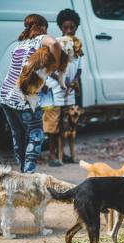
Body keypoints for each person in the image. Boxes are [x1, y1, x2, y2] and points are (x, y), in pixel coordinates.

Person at [0, 14, 61, 173]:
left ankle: (22, 173)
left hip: (6, 95)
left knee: (18, 136)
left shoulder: (19, 44)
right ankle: (29, 176)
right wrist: (56, 63)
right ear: (42, 27)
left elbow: (26, 69)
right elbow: (54, 43)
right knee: (36, 135)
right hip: (24, 97)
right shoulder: (40, 39)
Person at [40, 8, 83, 166]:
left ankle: (63, 155)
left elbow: (79, 69)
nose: (69, 30)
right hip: (54, 90)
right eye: (66, 27)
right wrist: (60, 82)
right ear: (60, 27)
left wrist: (74, 81)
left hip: (69, 91)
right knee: (53, 125)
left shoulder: (78, 46)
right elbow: (48, 69)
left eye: (72, 27)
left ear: (76, 27)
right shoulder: (55, 44)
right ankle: (52, 156)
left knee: (66, 124)